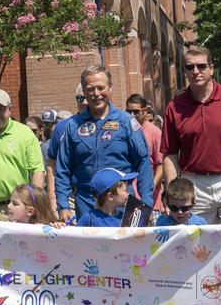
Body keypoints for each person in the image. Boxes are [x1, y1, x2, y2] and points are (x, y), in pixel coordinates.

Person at [161, 46, 221, 223]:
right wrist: (172, 191)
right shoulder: (175, 106)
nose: (195, 71)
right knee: (198, 244)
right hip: (194, 185)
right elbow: (169, 153)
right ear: (184, 71)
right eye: (190, 67)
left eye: (201, 66)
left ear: (211, 68)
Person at [54, 65, 153, 222]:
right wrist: (63, 205)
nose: (96, 93)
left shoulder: (126, 122)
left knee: (127, 246)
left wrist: (146, 202)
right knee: (88, 247)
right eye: (90, 89)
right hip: (86, 204)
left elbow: (143, 163)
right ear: (84, 92)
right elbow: (63, 168)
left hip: (122, 203)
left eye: (101, 87)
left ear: (110, 87)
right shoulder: (73, 125)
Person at [0, 88, 45, 217]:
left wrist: (35, 204)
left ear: (9, 109)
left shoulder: (25, 133)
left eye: (0, 108)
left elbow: (37, 171)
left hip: (20, 208)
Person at [125, 93, 164, 208]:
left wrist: (149, 188)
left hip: (150, 199)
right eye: (128, 112)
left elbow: (161, 165)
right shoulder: (123, 130)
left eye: (136, 112)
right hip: (127, 197)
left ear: (145, 111)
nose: (132, 115)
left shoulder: (155, 132)